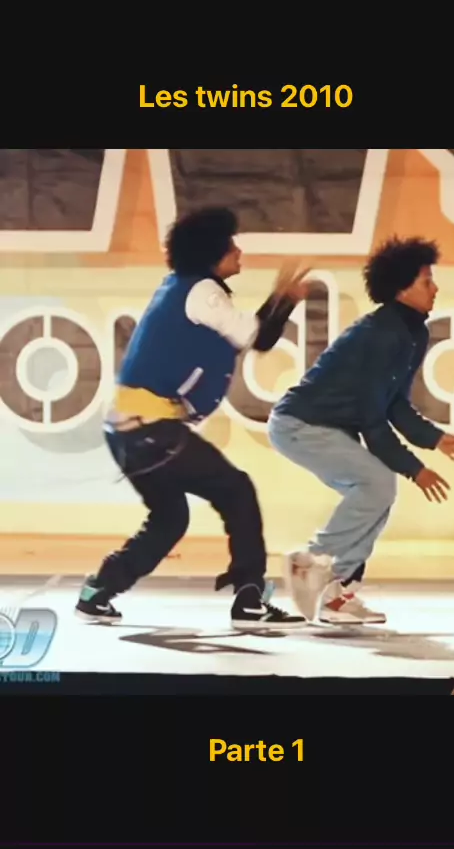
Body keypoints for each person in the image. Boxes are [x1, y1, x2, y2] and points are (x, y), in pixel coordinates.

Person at [75, 206, 311, 630]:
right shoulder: (203, 291)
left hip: (127, 429)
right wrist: (284, 299)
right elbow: (257, 336)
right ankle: (250, 597)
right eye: (231, 246)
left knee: (170, 519)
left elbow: (251, 336)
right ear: (211, 254)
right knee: (236, 490)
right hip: (149, 429)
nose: (239, 252)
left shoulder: (183, 288)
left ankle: (98, 591)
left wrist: (282, 299)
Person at [267, 236, 454, 625]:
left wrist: (434, 439)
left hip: (327, 427)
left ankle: (337, 595)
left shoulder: (412, 332)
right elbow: (371, 420)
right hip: (300, 424)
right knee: (378, 482)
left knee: (378, 491)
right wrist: (415, 469)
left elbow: (394, 403)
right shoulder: (381, 333)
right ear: (401, 288)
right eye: (427, 281)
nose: (435, 289)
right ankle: (312, 561)